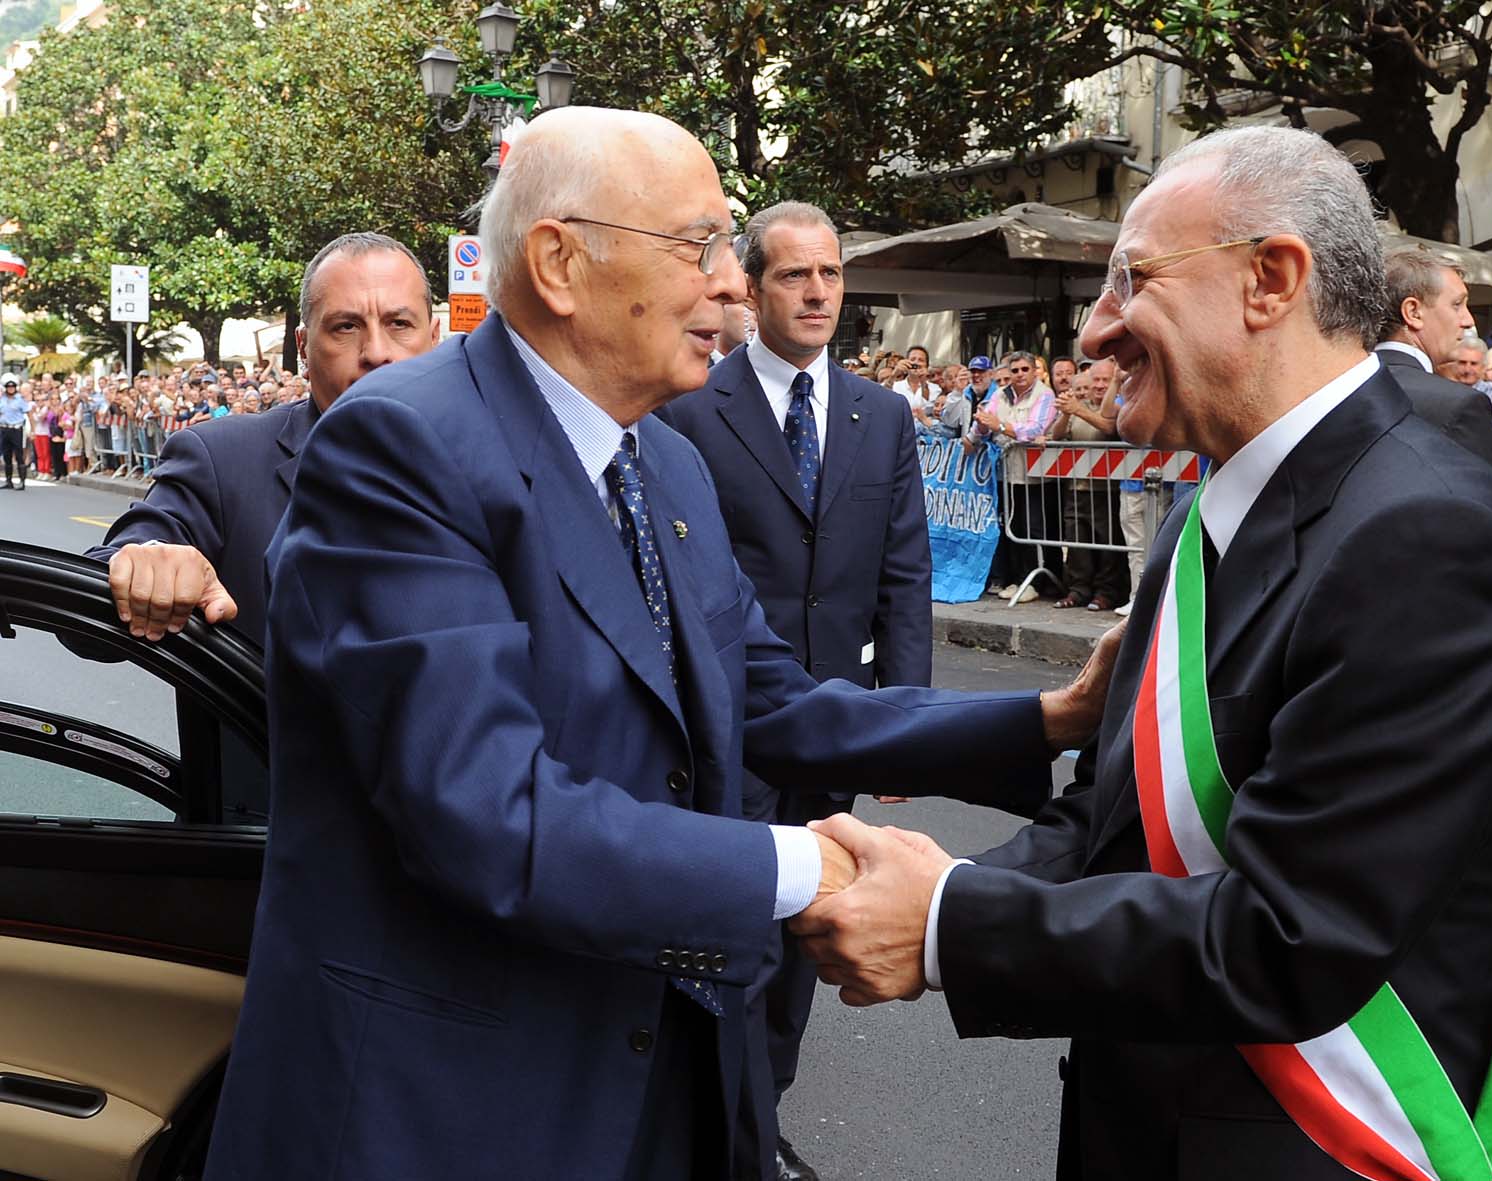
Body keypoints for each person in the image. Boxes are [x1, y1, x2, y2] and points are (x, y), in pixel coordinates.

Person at [201, 107, 1108, 1181]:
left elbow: (765, 697)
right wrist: (806, 867)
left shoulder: (663, 462)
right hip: (454, 1103)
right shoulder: (400, 444)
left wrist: (1046, 718)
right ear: (560, 263)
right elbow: (487, 810)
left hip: (663, 1068)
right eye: (699, 245)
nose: (730, 286)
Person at [793, 125, 1492, 1181]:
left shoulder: (1426, 536)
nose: (1093, 330)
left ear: (1271, 279)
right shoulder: (1204, 519)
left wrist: (946, 919)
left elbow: (1294, 932)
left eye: (1131, 280)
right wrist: (909, 890)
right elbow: (1111, 820)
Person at [655, 199, 935, 1181]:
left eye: (830, 274)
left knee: (810, 925)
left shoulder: (880, 415)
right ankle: (726, 1121)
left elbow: (904, 573)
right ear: (753, 285)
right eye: (793, 274)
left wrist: (901, 717)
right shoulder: (692, 406)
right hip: (727, 722)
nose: (817, 293)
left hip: (834, 724)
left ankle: (762, 1104)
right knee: (735, 926)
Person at [87, 232, 442, 645]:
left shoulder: (492, 461)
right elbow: (92, 610)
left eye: (399, 324)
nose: (377, 353)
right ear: (303, 349)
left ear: (434, 339)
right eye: (346, 327)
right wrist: (148, 565)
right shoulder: (222, 461)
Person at [1374, 248, 1492, 470]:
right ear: (1413, 312)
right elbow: (1481, 492)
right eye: (1457, 304)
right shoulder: (1461, 405)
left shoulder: (1338, 387)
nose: (1469, 320)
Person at [968, 351, 1057, 602]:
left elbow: (1035, 429)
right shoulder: (1000, 394)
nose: (1019, 375)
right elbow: (983, 425)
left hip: (1034, 475)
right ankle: (1017, 579)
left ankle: (1034, 581)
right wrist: (979, 428)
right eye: (1015, 370)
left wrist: (1000, 426)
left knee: (1032, 528)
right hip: (1005, 474)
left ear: (1034, 371)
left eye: (1024, 369)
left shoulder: (1045, 395)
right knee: (1011, 528)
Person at [1050, 362, 1128, 611]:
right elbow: (1056, 435)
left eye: (1106, 380)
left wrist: (1078, 410)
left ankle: (1106, 591)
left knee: (1107, 543)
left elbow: (1108, 426)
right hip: (1077, 487)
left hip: (1106, 490)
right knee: (1077, 541)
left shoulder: (1116, 407)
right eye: (1096, 380)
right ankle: (1078, 589)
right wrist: (1066, 413)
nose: (1100, 385)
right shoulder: (1078, 406)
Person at [0, 377, 27, 489]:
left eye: (12, 387)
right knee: (7, 455)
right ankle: (8, 480)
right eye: (8, 387)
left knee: (19, 455)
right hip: (4, 429)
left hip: (16, 429)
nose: (10, 389)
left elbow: (28, 412)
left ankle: (22, 481)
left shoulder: (20, 399)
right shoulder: (2, 399)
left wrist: (33, 430)